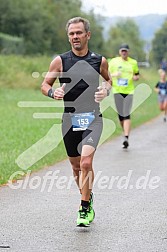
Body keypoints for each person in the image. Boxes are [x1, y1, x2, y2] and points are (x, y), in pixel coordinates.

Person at [41, 17, 111, 227]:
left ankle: (84, 208)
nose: (75, 37)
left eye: (79, 33)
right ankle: (87, 196)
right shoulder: (60, 61)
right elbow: (44, 84)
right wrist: (54, 92)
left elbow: (108, 80)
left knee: (86, 162)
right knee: (75, 167)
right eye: (71, 34)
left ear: (87, 35)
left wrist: (104, 90)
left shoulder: (99, 61)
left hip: (93, 118)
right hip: (69, 119)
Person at [108, 44, 139, 149]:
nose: (124, 53)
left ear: (128, 52)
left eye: (126, 51)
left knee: (126, 113)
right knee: (121, 115)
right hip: (117, 91)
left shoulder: (133, 62)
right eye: (122, 51)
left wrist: (135, 77)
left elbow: (137, 74)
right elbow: (106, 74)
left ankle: (126, 137)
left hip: (129, 91)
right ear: (119, 52)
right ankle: (125, 131)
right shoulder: (113, 62)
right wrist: (114, 75)